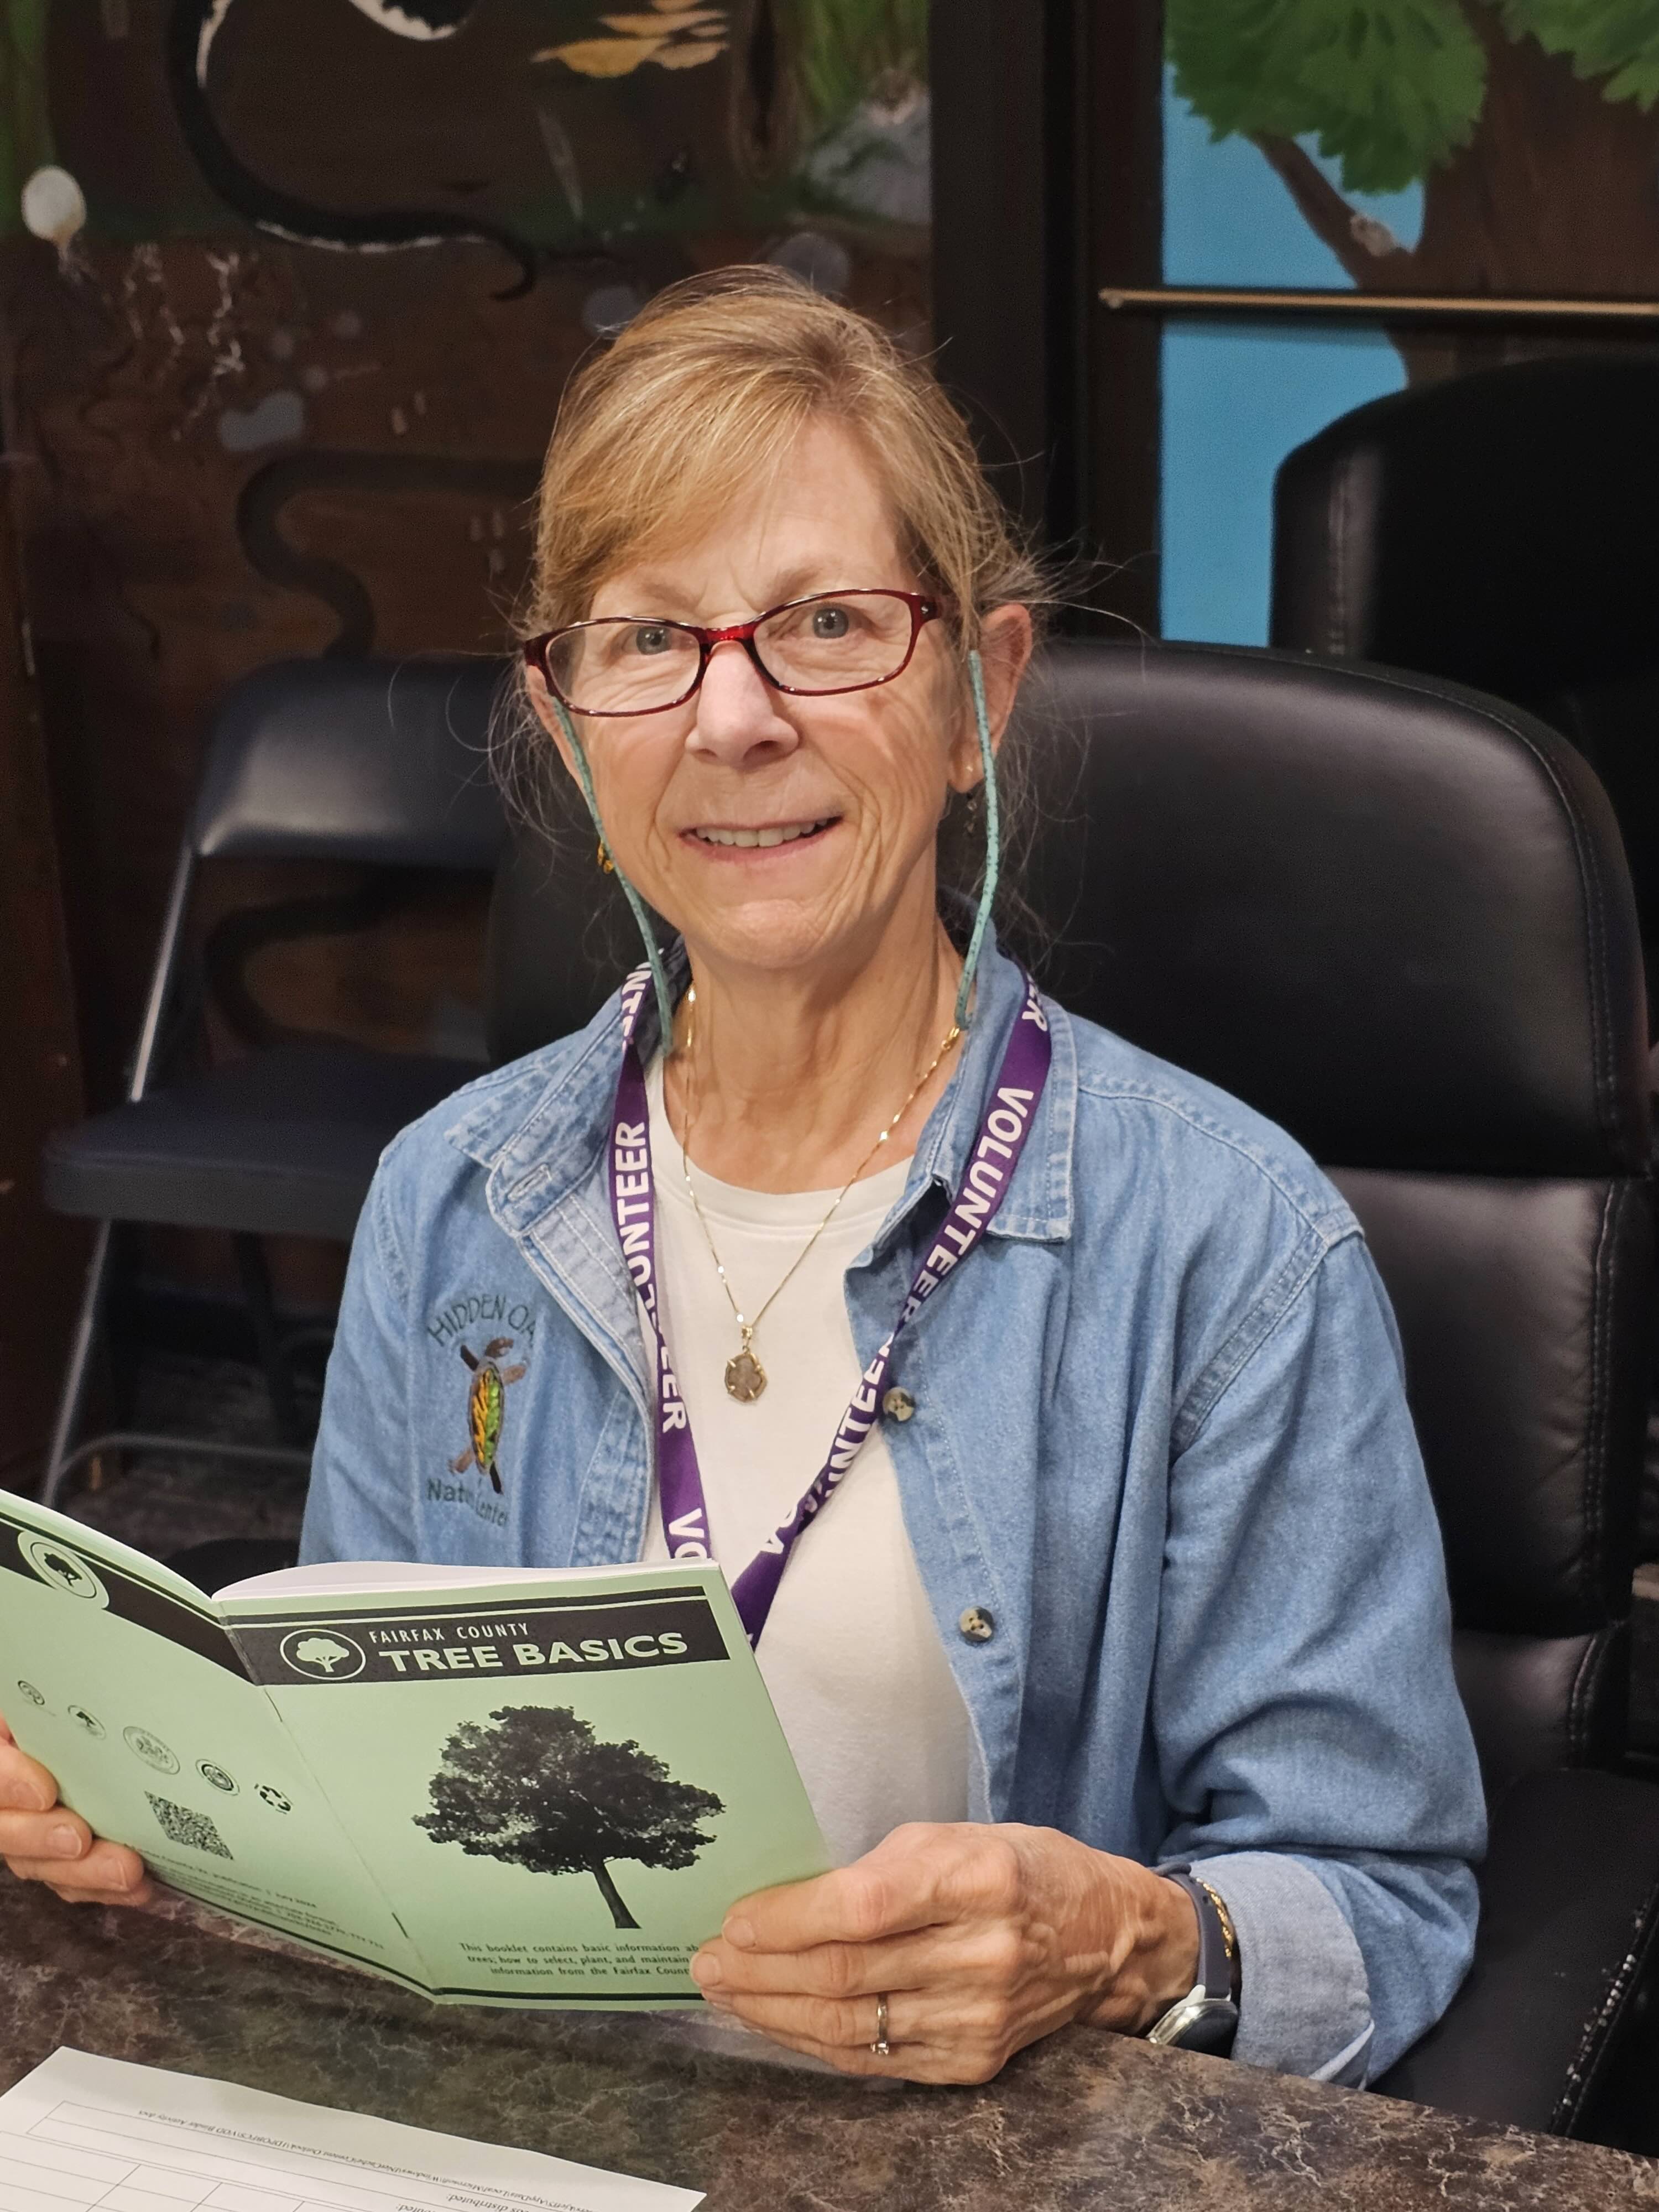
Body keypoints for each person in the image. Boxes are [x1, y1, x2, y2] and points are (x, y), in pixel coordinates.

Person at [0, 269, 1484, 2089]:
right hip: (528, 2139)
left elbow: (1380, 1891)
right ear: (567, 728)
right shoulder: (448, 1200)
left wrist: (1120, 1943)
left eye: (831, 625)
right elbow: (365, 1812)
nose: (735, 716)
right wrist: (172, 1828)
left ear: (978, 695)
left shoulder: (1231, 1243)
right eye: (647, 642)